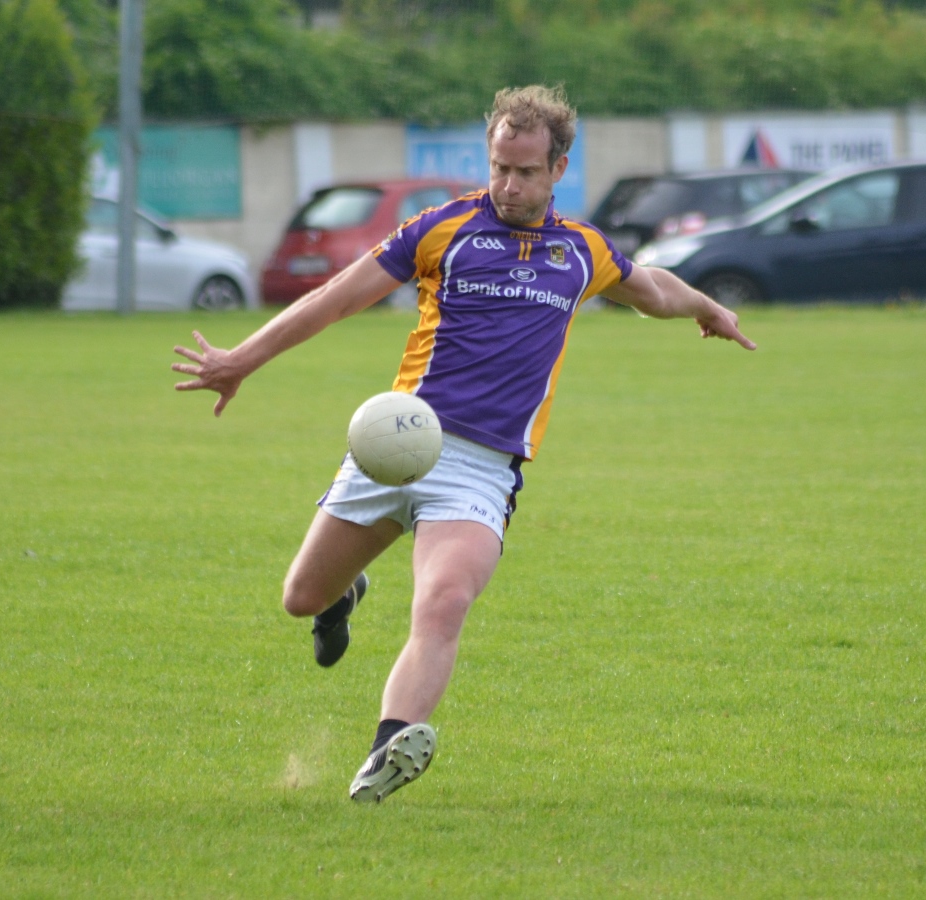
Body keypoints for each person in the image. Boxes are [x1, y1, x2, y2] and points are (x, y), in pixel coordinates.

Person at [171, 85, 756, 802]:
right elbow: (335, 299)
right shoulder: (439, 229)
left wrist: (709, 306)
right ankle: (341, 594)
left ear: (559, 168)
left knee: (443, 601)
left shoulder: (582, 251)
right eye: (499, 168)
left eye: (527, 172)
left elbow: (654, 288)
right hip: (398, 443)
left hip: (481, 470)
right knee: (299, 597)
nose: (509, 185)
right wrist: (241, 360)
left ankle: (390, 746)